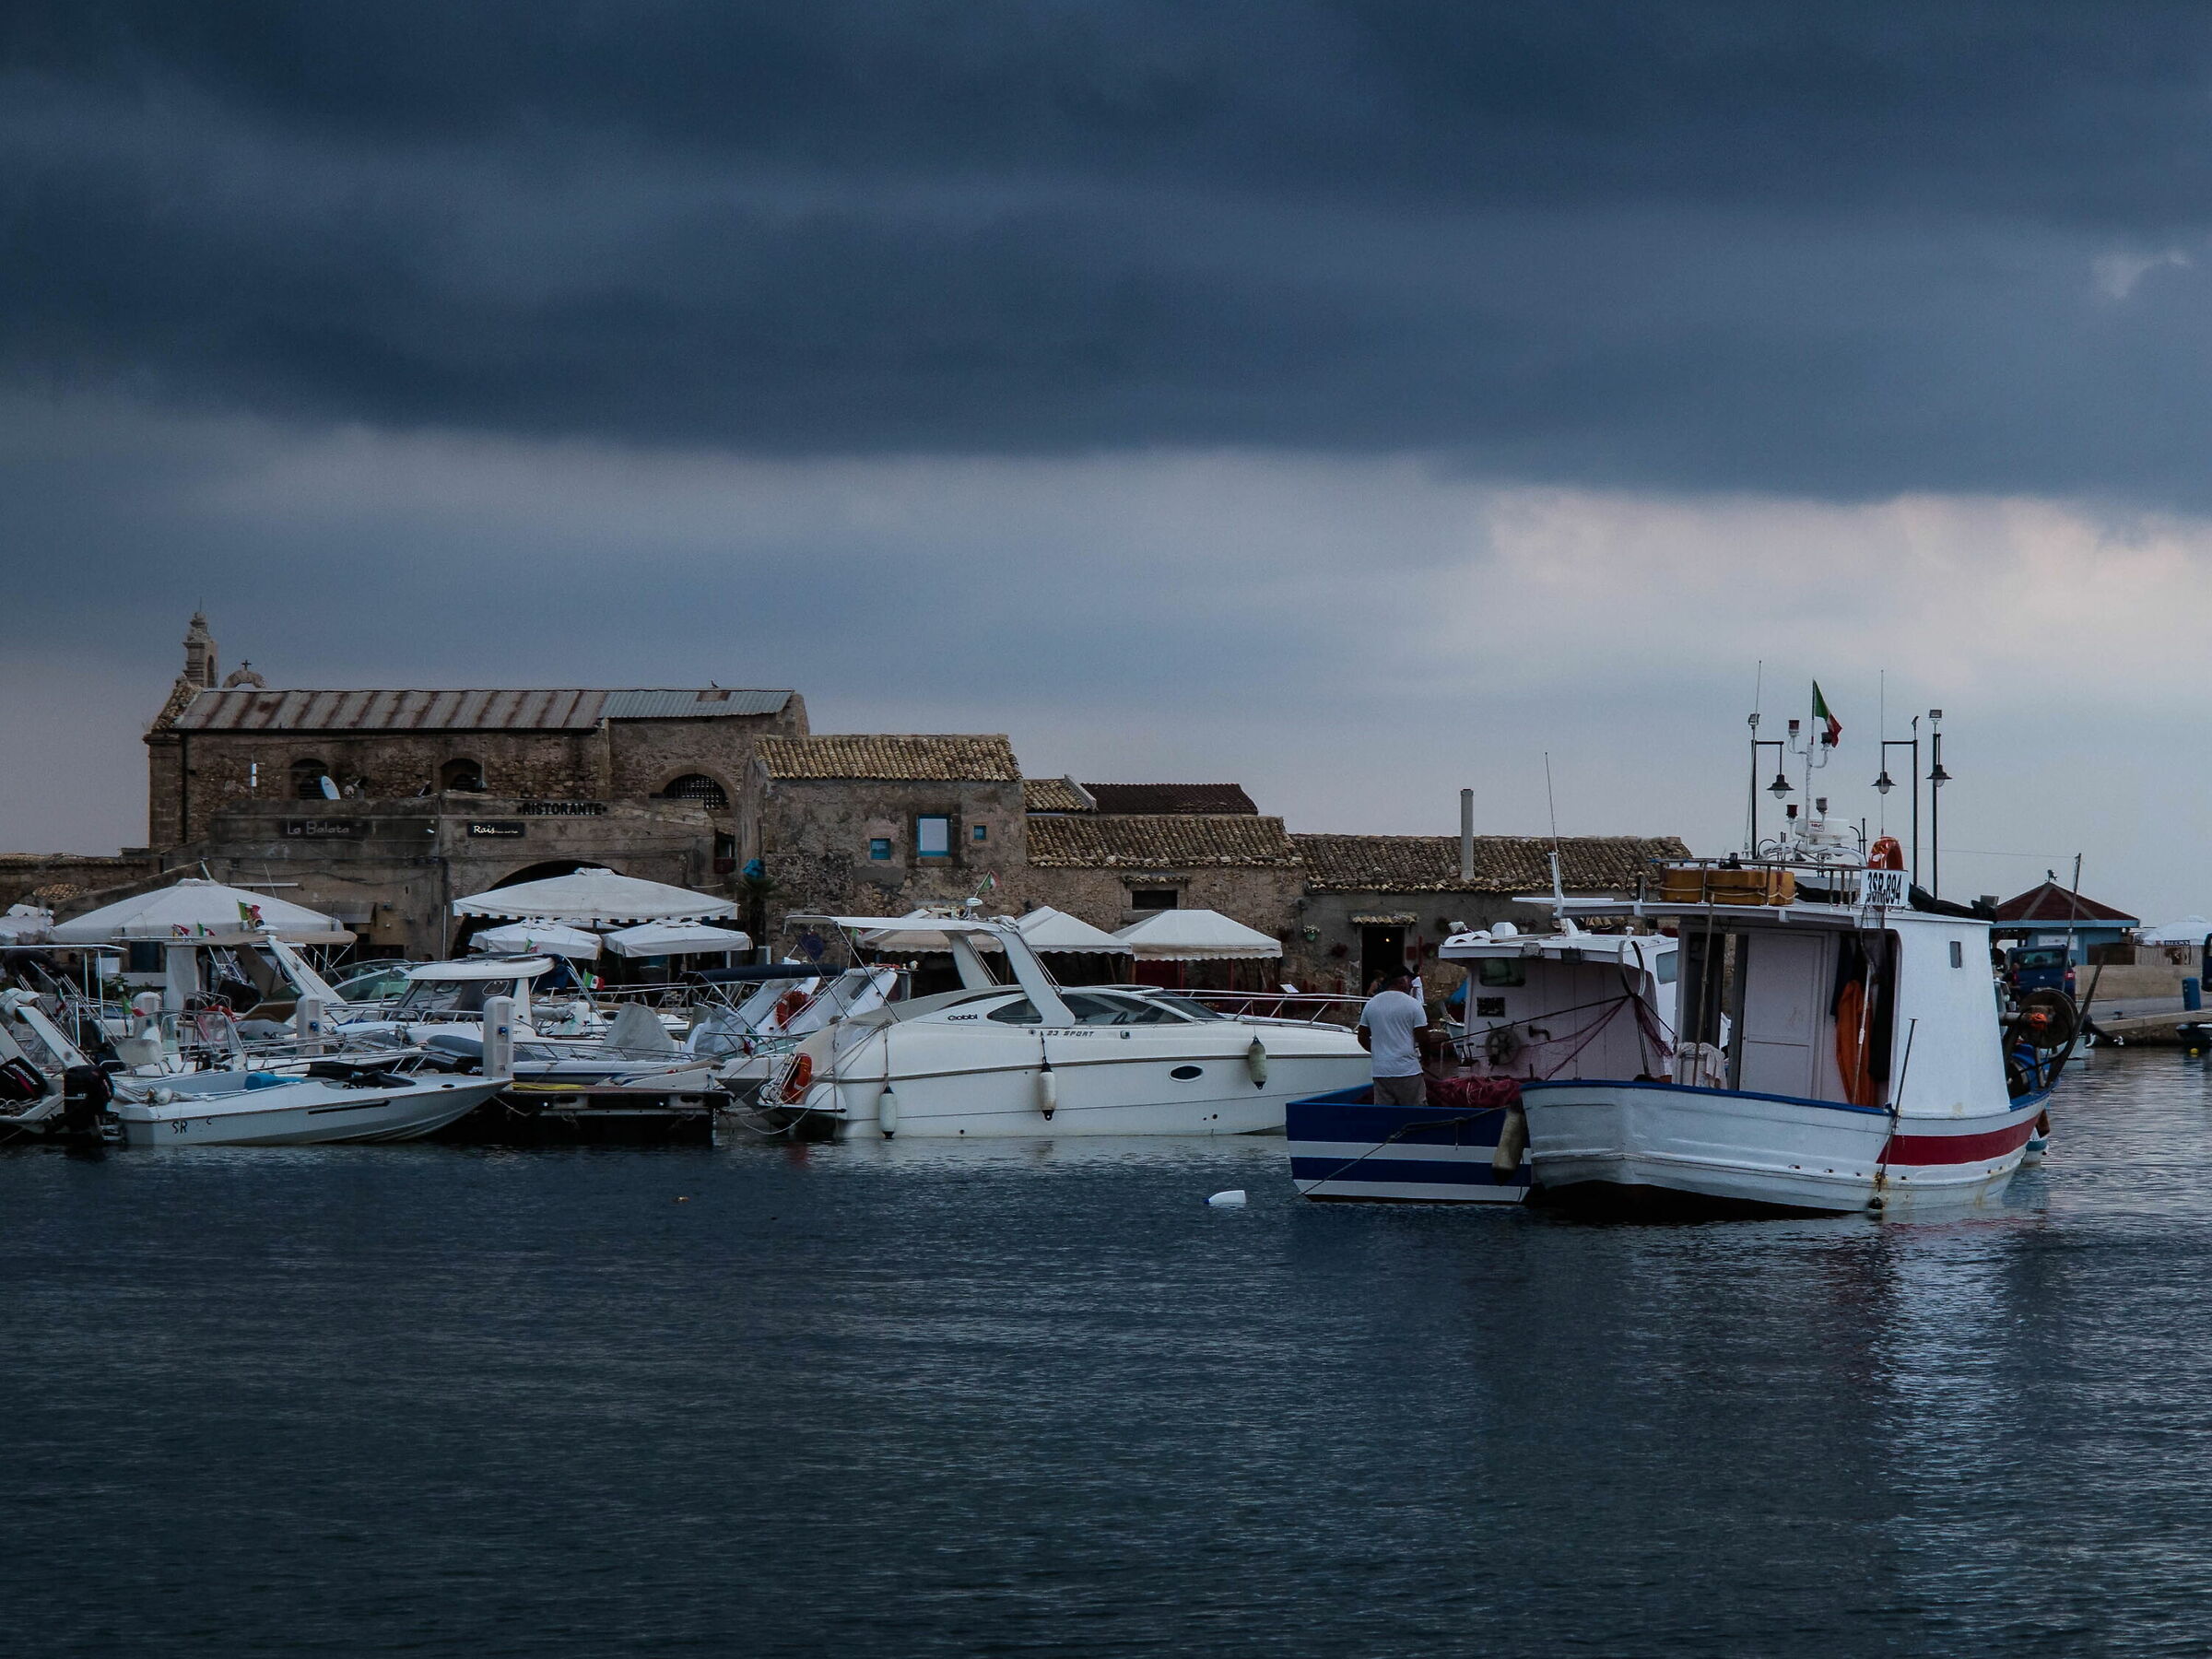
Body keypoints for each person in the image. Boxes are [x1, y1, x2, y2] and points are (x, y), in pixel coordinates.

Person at [1359, 966, 1430, 1106]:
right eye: (1409, 980)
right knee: (1415, 1113)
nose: (1411, 984)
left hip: (1380, 1072)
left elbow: (1362, 1038)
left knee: (1384, 1115)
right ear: (1401, 981)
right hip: (1407, 1071)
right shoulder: (1414, 1005)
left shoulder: (1371, 1004)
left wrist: (1380, 1054)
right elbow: (1423, 1038)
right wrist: (1427, 1059)